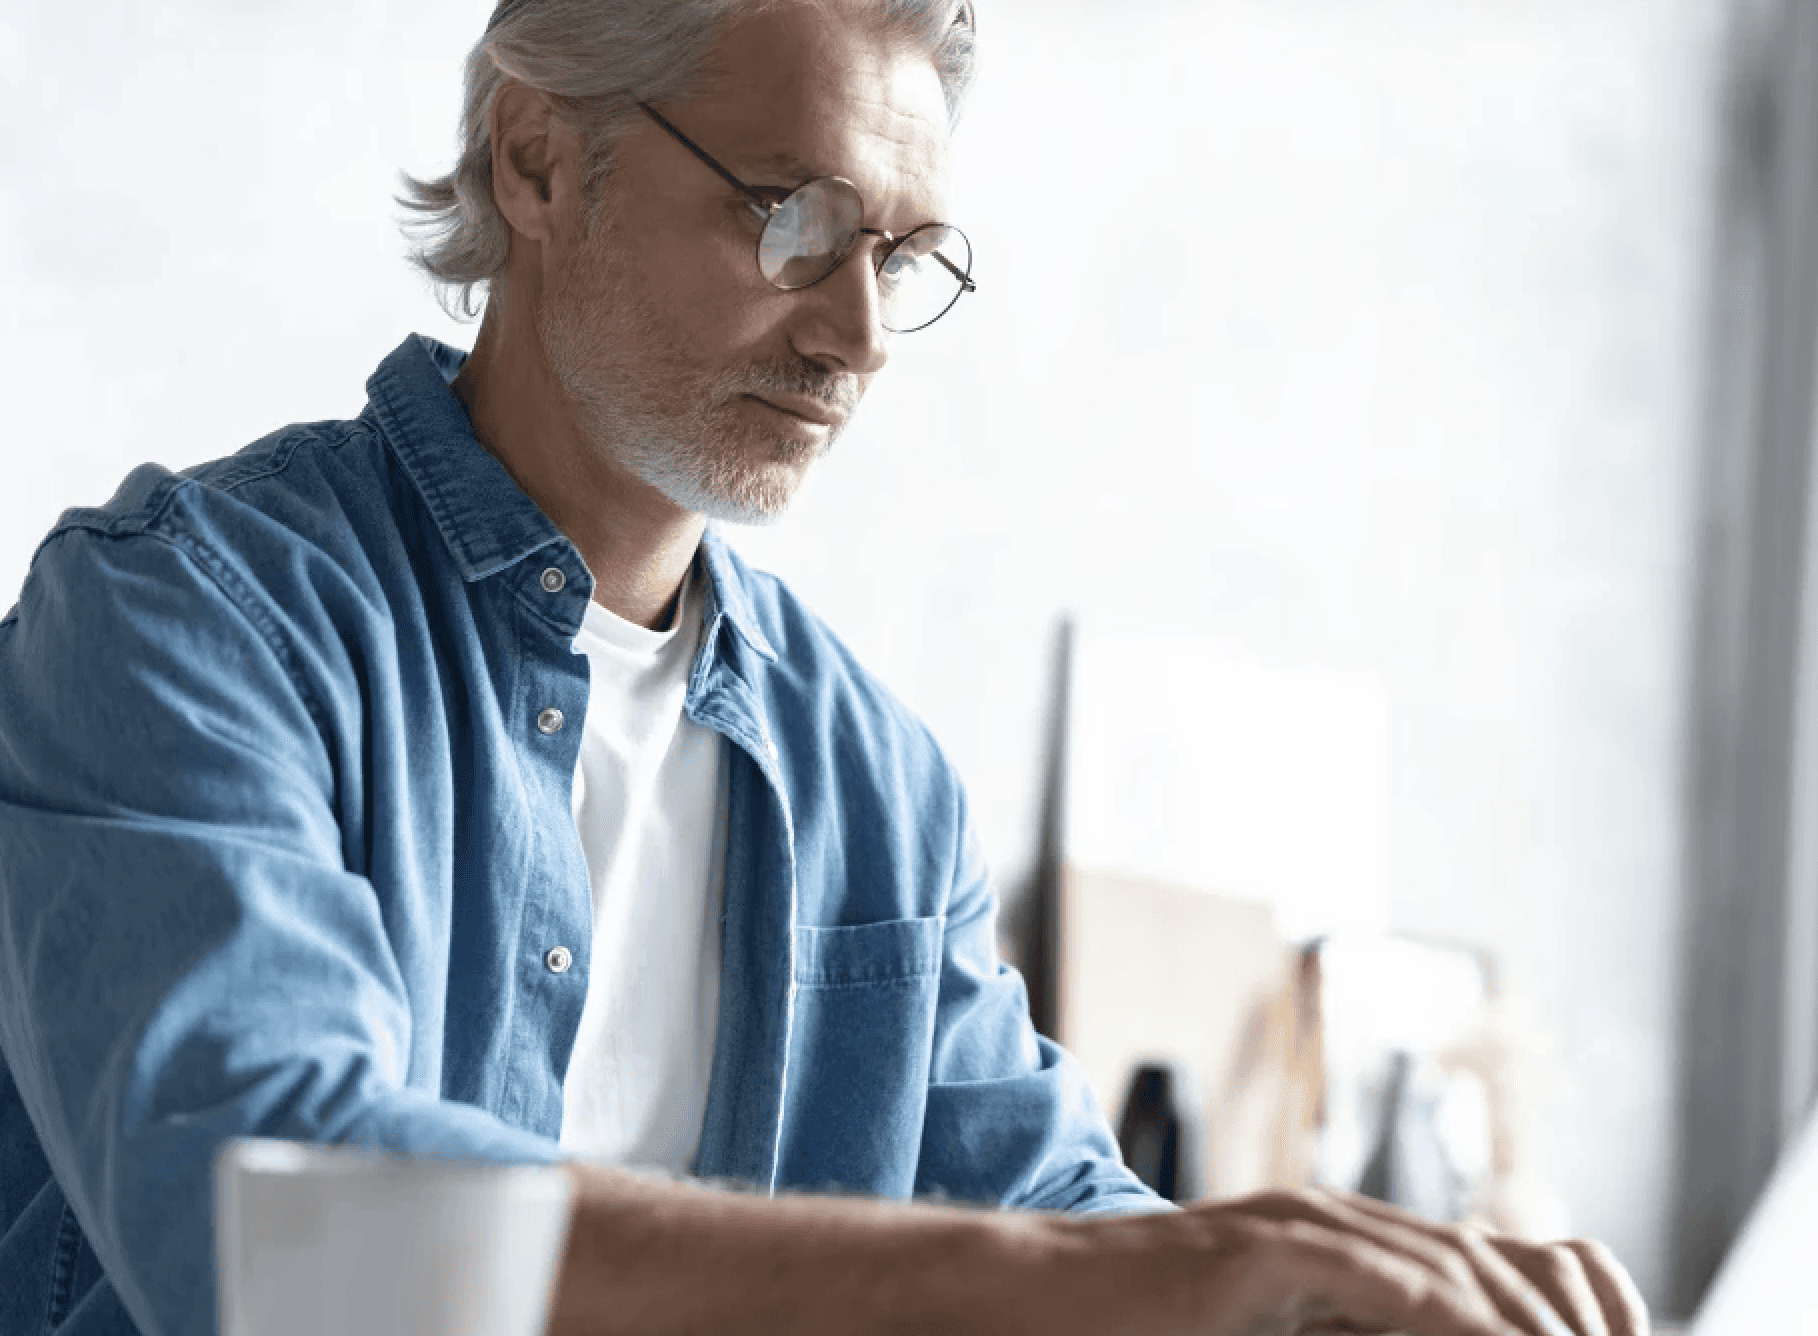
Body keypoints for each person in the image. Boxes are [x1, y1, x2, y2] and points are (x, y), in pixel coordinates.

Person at [0, 3, 1651, 1334]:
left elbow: (1065, 1219)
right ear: (537, 159)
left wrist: (1340, 1303)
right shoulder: (181, 620)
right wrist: (1091, 1281)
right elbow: (277, 1236)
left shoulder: (874, 777)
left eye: (904, 256)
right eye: (792, 218)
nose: (858, 336)